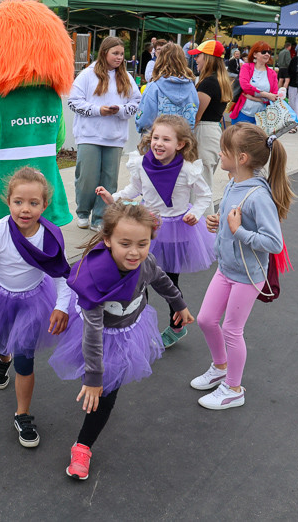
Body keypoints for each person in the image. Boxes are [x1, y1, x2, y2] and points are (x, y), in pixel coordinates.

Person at [49, 200, 193, 480]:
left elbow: (162, 280)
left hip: (131, 326)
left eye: (142, 243)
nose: (134, 252)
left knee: (109, 388)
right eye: (125, 243)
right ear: (108, 240)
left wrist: (179, 305)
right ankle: (82, 447)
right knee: (103, 386)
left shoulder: (146, 262)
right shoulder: (94, 278)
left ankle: (92, 419)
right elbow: (92, 333)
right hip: (100, 332)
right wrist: (93, 376)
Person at [0, 167, 72, 447]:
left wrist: (62, 306)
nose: (25, 209)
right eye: (19, 202)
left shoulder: (51, 235)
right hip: (0, 297)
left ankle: (22, 414)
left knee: (25, 357)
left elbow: (62, 275)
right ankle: (2, 360)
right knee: (1, 341)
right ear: (8, 201)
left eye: (34, 203)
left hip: (33, 301)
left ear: (45, 205)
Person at [193, 123, 291, 410]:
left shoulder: (259, 196)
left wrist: (237, 232)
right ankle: (220, 367)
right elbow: (232, 219)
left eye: (224, 151)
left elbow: (274, 242)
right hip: (227, 268)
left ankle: (234, 388)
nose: (219, 155)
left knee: (232, 330)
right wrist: (220, 223)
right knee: (205, 320)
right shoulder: (235, 182)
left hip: (248, 276)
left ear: (242, 158)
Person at [98, 114, 212, 348]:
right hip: (146, 230)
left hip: (177, 231)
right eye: (156, 137)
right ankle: (138, 324)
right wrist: (114, 197)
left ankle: (177, 325)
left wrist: (196, 213)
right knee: (139, 280)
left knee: (169, 281)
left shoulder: (187, 169)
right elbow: (134, 189)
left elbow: (205, 196)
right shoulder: (141, 163)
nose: (159, 143)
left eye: (166, 140)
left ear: (180, 144)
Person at [68, 36, 141, 231]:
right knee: (87, 177)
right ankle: (83, 211)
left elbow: (135, 102)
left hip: (115, 138)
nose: (119, 58)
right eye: (115, 53)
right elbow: (73, 101)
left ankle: (100, 217)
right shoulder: (87, 75)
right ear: (104, 53)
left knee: (109, 180)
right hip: (89, 136)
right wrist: (98, 110)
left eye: (121, 54)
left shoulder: (125, 77)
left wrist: (121, 110)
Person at [190, 40, 232, 207]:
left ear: (207, 58)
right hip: (212, 131)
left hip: (203, 133)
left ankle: (205, 231)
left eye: (199, 56)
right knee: (202, 187)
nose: (196, 60)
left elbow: (196, 116)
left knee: (199, 191)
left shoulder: (208, 82)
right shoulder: (219, 80)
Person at [136, 43, 199, 132]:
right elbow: (193, 113)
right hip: (182, 139)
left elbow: (144, 118)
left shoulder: (154, 86)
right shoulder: (191, 87)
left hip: (156, 139)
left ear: (160, 59)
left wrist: (140, 127)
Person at [229, 41, 281, 125]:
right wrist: (266, 94)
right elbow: (245, 87)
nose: (267, 54)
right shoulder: (246, 67)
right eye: (263, 52)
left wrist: (255, 98)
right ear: (255, 54)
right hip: (243, 113)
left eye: (269, 52)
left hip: (262, 117)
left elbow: (273, 96)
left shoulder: (272, 73)